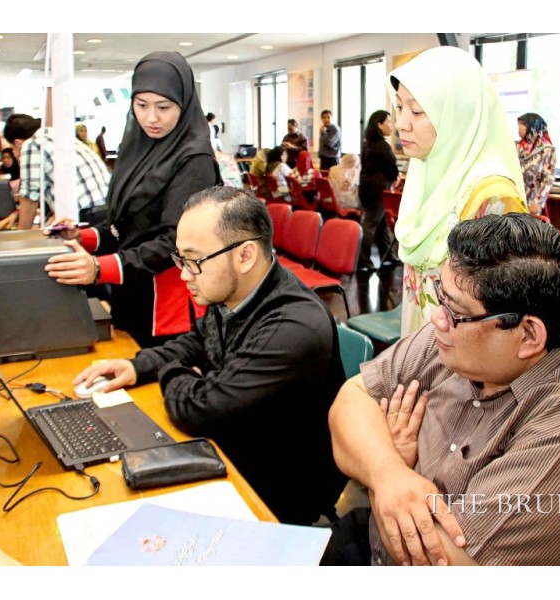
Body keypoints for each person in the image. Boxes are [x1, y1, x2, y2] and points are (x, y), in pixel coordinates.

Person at [325, 213, 560, 566]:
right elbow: (351, 401)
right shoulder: (465, 329)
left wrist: (382, 483)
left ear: (528, 335)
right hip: (373, 543)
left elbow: (448, 567)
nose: (438, 317)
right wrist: (389, 471)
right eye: (442, 296)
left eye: (454, 311)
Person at [73, 186, 348, 525]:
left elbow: (199, 409)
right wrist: (136, 365)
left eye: (194, 261)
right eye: (181, 260)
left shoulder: (294, 325)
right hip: (233, 445)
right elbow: (196, 343)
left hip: (276, 489)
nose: (184, 274)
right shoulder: (237, 293)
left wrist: (171, 372)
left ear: (245, 255)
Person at [45, 51, 222, 349]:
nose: (151, 118)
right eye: (141, 105)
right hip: (132, 287)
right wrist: (81, 235)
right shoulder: (139, 149)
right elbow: (125, 227)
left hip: (168, 303)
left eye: (163, 107)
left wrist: (99, 269)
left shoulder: (194, 159)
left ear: (184, 103)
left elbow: (174, 242)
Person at [387, 46, 528, 335]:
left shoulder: (493, 198)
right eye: (399, 107)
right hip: (422, 352)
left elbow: (502, 319)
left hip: (467, 369)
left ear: (458, 116)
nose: (401, 123)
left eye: (416, 110)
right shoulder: (425, 172)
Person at [0, 114, 110, 230]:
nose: (14, 154)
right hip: (108, 212)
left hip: (88, 217)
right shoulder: (58, 136)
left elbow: (30, 197)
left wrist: (20, 238)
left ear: (18, 143)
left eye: (12, 148)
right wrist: (17, 213)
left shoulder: (31, 144)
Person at [357, 110, 399, 273]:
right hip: (377, 189)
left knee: (381, 224)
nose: (391, 125)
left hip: (367, 188)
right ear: (379, 125)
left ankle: (387, 256)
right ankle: (363, 261)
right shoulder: (381, 145)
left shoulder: (367, 143)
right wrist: (395, 177)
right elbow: (390, 166)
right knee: (371, 225)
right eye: (388, 122)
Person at [517, 112, 557, 216]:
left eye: (523, 124)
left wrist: (538, 202)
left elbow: (548, 179)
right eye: (519, 124)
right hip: (516, 200)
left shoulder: (547, 150)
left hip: (533, 204)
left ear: (533, 127)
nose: (519, 127)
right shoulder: (517, 147)